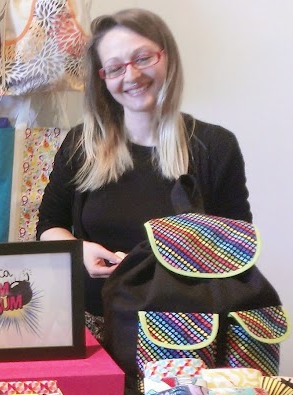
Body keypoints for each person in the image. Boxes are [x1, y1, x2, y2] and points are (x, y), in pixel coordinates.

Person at [35, 8, 252, 342]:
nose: (132, 75)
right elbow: (49, 225)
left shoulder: (214, 147)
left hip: (186, 333)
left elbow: (237, 250)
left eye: (143, 58)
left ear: (167, 57)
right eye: (115, 67)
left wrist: (150, 265)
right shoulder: (81, 144)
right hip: (95, 329)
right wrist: (78, 250)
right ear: (103, 78)